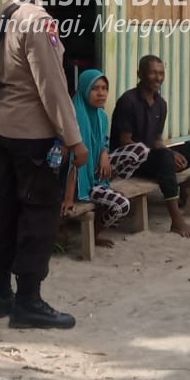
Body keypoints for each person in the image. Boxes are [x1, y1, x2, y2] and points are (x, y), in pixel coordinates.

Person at [0, 0, 86, 330]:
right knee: (38, 215)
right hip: (34, 137)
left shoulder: (0, 14)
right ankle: (28, 301)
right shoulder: (37, 20)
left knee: (7, 210)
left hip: (3, 128)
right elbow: (52, 86)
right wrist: (74, 139)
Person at [109, 56, 190, 238]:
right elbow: (126, 142)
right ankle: (176, 220)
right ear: (140, 74)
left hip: (153, 157)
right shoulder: (128, 101)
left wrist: (169, 151)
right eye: (153, 73)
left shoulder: (160, 104)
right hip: (131, 162)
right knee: (164, 158)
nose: (158, 78)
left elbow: (157, 139)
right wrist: (165, 155)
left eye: (161, 73)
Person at [61, 69, 149, 247]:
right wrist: (69, 198)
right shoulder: (74, 117)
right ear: (85, 90)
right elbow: (73, 160)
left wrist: (103, 154)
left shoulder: (102, 116)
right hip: (82, 181)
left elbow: (103, 142)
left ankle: (107, 183)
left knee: (140, 150)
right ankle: (96, 231)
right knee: (122, 205)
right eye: (95, 88)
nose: (101, 93)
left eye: (104, 88)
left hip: (98, 171)